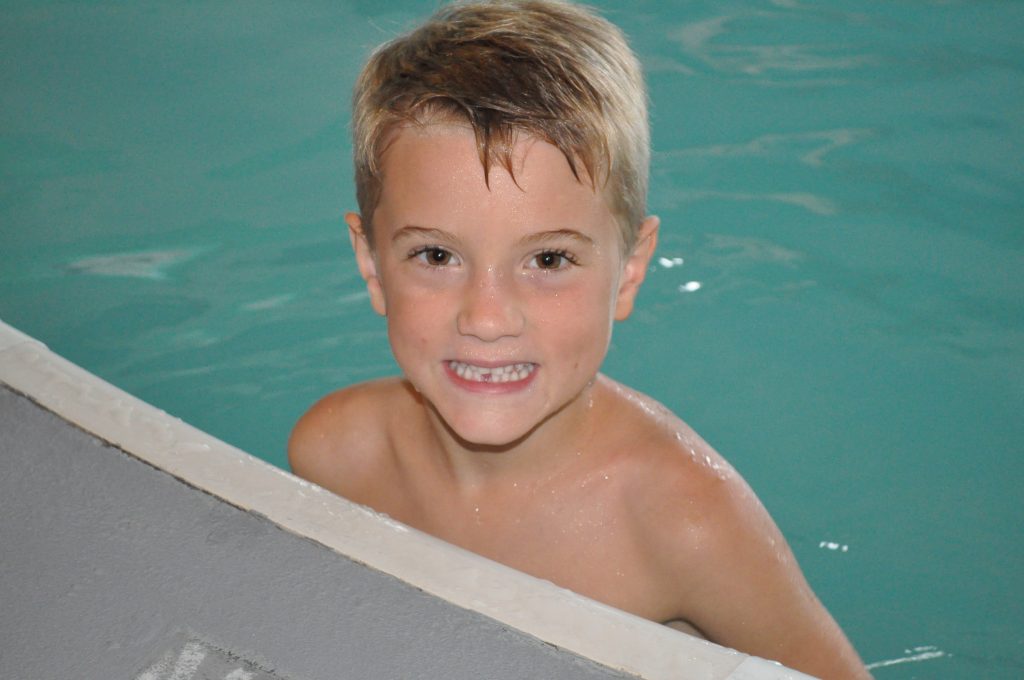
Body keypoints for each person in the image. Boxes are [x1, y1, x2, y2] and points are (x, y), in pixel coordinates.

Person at [290, 2, 869, 677]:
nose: (486, 317)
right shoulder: (337, 456)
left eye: (548, 261)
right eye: (436, 256)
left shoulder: (682, 522)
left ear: (629, 270)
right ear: (371, 265)